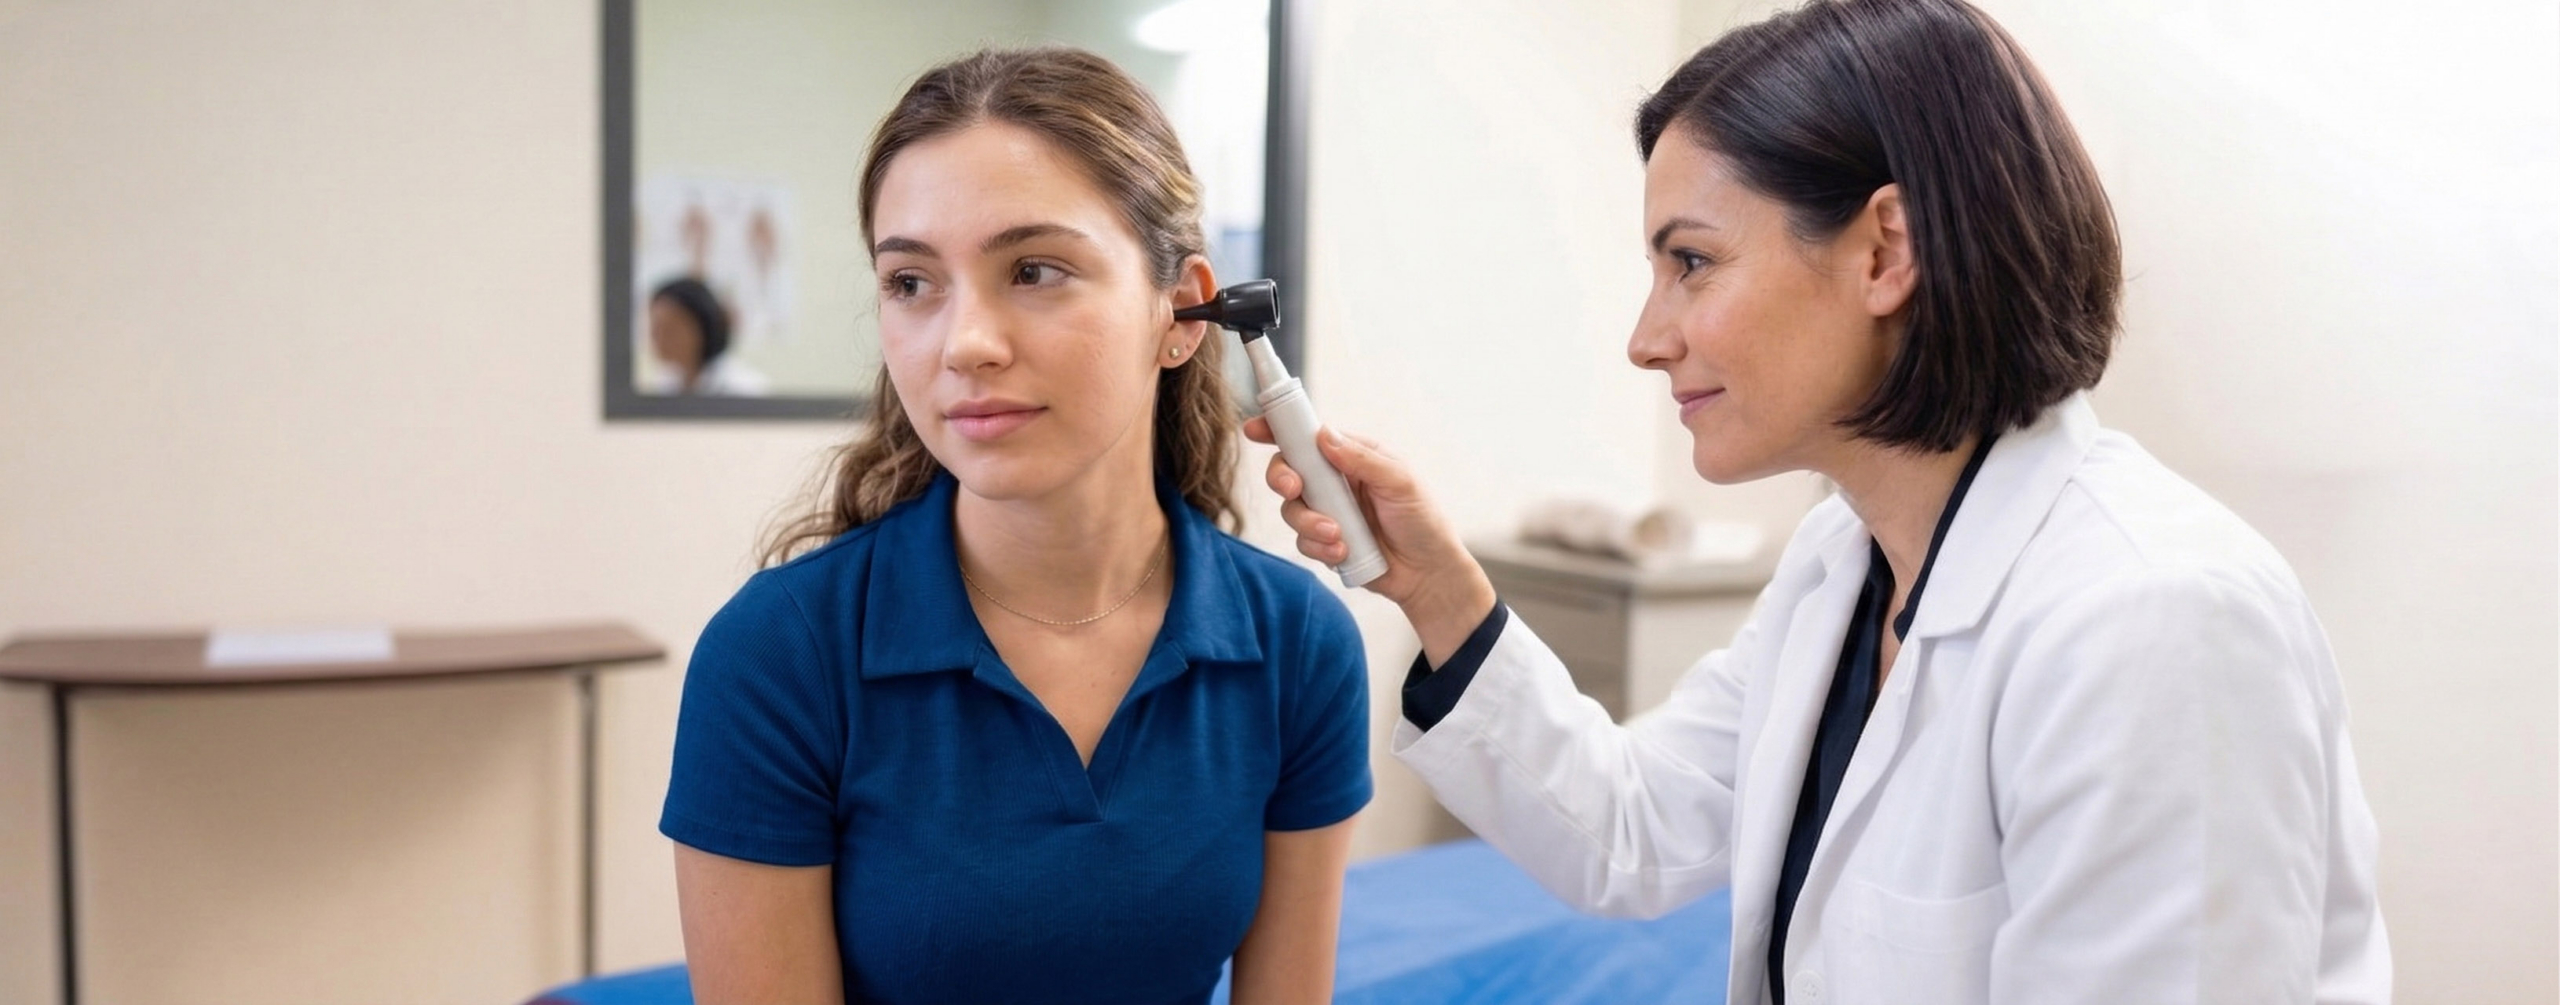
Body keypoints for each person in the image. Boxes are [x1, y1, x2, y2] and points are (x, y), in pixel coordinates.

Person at [1251, 1, 2389, 1002]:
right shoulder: (1842, 564)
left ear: (1886, 250)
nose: (1648, 339)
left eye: (1690, 262)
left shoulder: (2152, 620)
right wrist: (1438, 589)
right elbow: (1632, 831)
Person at [662, 48, 1369, 1005]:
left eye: (1033, 270)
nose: (964, 344)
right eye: (912, 283)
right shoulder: (780, 654)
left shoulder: (1296, 642)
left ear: (1183, 311)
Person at [646, 276, 768, 396]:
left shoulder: (745, 390)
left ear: (703, 328)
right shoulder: (664, 384)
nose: (659, 339)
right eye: (655, 329)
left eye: (670, 330)